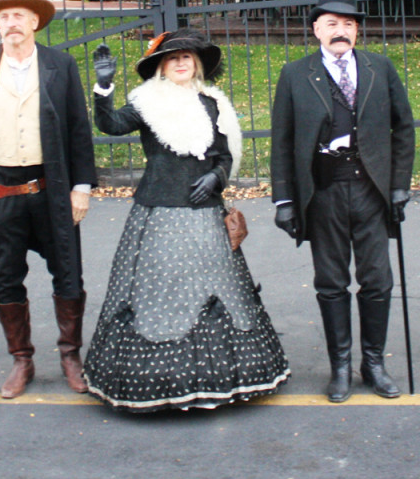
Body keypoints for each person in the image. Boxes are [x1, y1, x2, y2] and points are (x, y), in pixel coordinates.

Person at [83, 29, 289, 412]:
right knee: (158, 294)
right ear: (161, 66)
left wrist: (217, 176)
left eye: (188, 57)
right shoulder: (146, 103)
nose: (181, 62)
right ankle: (155, 383)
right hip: (158, 210)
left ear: (196, 65)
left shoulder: (213, 104)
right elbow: (110, 125)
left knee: (213, 290)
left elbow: (225, 155)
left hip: (205, 210)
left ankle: (218, 380)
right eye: (173, 58)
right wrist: (103, 87)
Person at [0, 0, 96, 398]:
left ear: (34, 22)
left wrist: (81, 186)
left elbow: (78, 129)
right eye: (4, 16)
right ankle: (22, 360)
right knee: (7, 275)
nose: (11, 23)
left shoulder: (59, 65)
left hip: (51, 185)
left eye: (18, 16)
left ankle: (70, 356)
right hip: (0, 188)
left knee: (68, 272)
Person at [270, 0, 416, 403]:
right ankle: (340, 367)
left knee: (377, 281)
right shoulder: (295, 75)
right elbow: (282, 141)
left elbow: (403, 128)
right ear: (316, 29)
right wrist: (284, 200)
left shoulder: (379, 69)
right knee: (331, 282)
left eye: (348, 24)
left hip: (371, 193)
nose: (341, 31)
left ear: (357, 31)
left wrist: (400, 184)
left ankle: (374, 364)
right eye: (332, 23)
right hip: (324, 193)